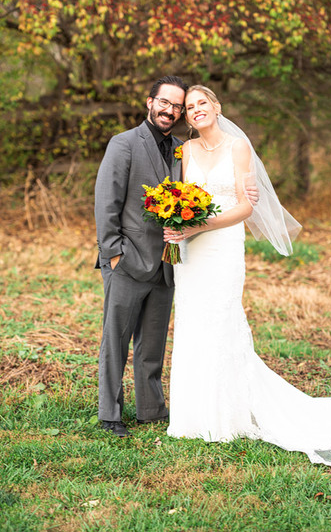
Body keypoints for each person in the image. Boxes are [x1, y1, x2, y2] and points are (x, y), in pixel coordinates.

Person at [162, 85, 331, 466]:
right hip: (192, 252)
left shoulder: (237, 147)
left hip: (222, 246)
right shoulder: (186, 150)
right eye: (191, 107)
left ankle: (226, 416)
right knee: (192, 323)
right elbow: (181, 196)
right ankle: (192, 416)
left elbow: (247, 206)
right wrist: (176, 223)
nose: (197, 111)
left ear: (216, 107)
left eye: (203, 103)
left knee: (221, 321)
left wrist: (199, 226)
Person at [94, 75, 188, 437]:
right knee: (115, 341)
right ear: (149, 102)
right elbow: (107, 201)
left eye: (177, 106)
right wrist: (113, 254)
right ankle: (110, 414)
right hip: (127, 261)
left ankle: (151, 410)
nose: (170, 111)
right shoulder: (124, 143)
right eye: (165, 103)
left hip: (165, 264)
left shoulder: (182, 149)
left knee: (152, 344)